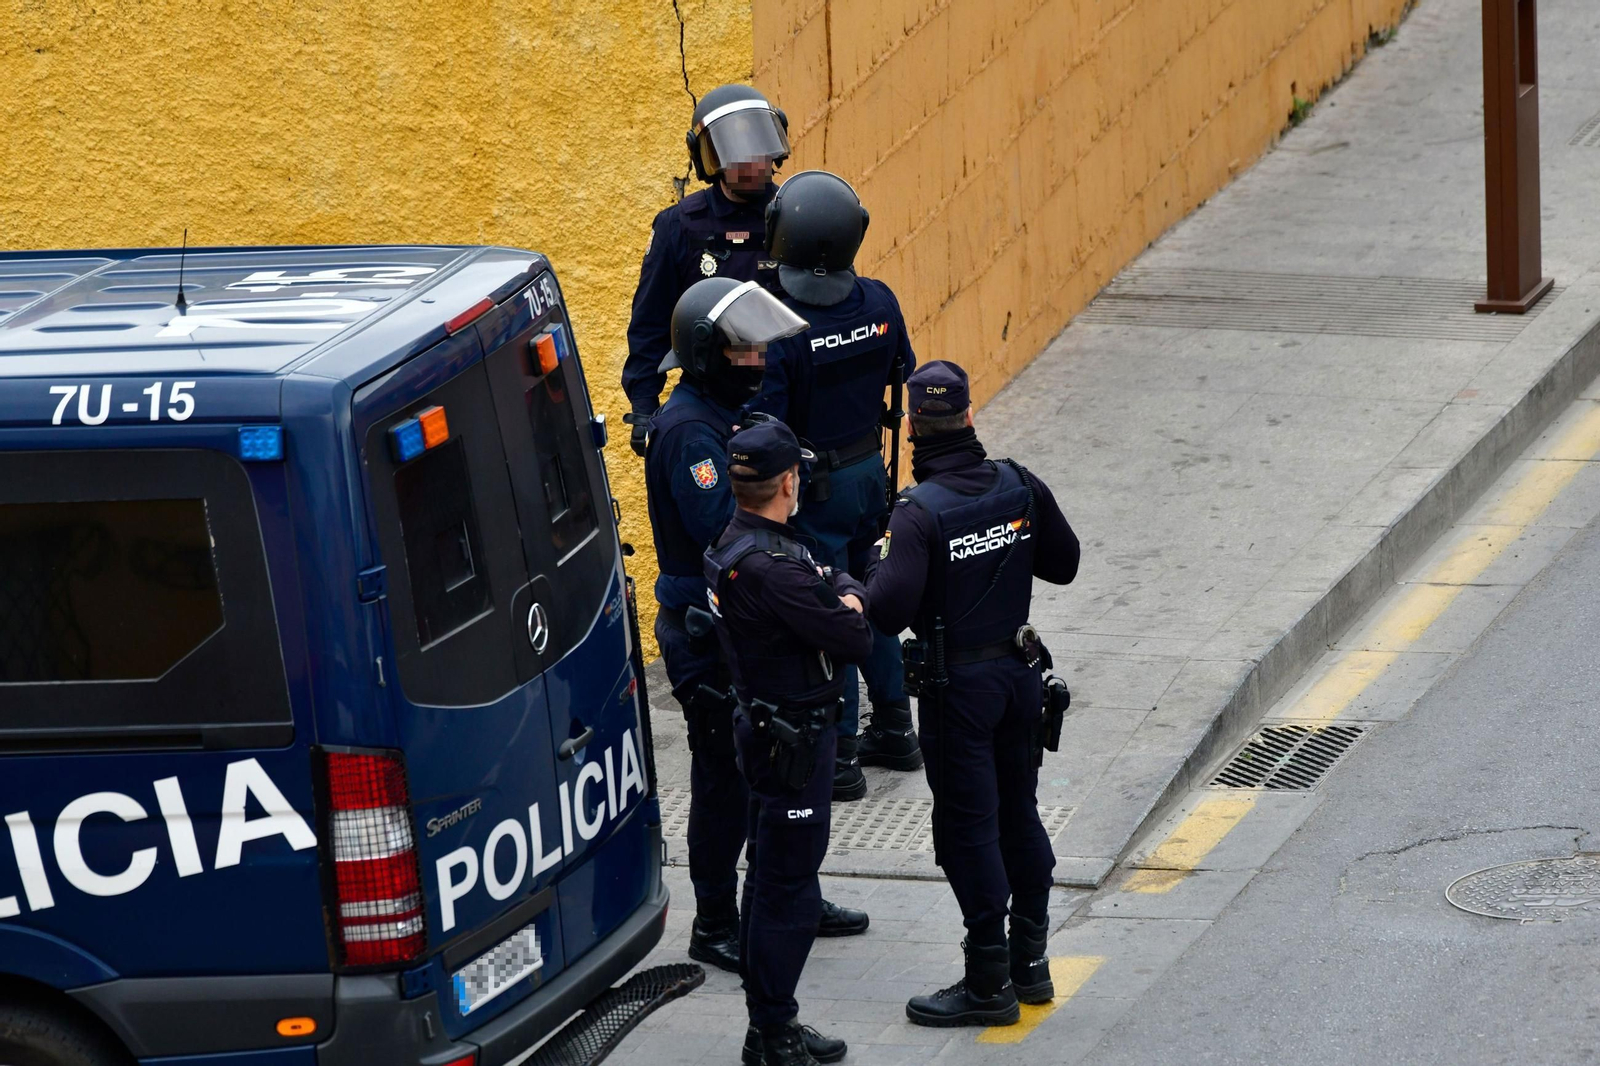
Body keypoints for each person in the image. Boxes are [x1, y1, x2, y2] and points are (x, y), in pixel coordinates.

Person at [645, 277, 866, 977]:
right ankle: (715, 921)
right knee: (724, 782)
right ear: (708, 354)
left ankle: (791, 890)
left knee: (777, 776)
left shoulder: (723, 418)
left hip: (744, 624)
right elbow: (728, 534)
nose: (757, 361)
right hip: (708, 633)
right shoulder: (690, 433)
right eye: (741, 350)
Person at [864, 360, 1081, 1028]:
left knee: (968, 829)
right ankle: (1032, 964)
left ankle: (989, 980)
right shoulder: (1018, 484)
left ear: (916, 431)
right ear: (968, 418)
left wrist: (877, 564)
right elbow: (1065, 564)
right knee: (1020, 811)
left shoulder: (919, 512)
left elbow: (885, 610)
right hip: (1021, 680)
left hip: (959, 693)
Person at [746, 170, 922, 802]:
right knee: (868, 596)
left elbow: (769, 421)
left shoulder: (779, 325)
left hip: (812, 486)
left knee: (827, 610)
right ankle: (897, 727)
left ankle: (841, 752)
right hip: (868, 477)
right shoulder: (879, 301)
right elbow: (901, 370)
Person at [703, 419, 875, 1066]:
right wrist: (851, 596)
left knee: (768, 879)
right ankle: (773, 1033)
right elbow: (855, 635)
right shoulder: (775, 570)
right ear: (787, 481)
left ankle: (769, 1024)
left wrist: (838, 590)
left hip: (769, 730)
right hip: (793, 743)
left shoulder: (741, 542)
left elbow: (824, 575)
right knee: (787, 889)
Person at [623, 84, 791, 456]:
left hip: (786, 391)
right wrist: (644, 406)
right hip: (712, 398)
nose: (752, 163)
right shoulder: (679, 227)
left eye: (759, 149)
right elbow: (650, 324)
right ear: (710, 159)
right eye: (737, 154)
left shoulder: (795, 214)